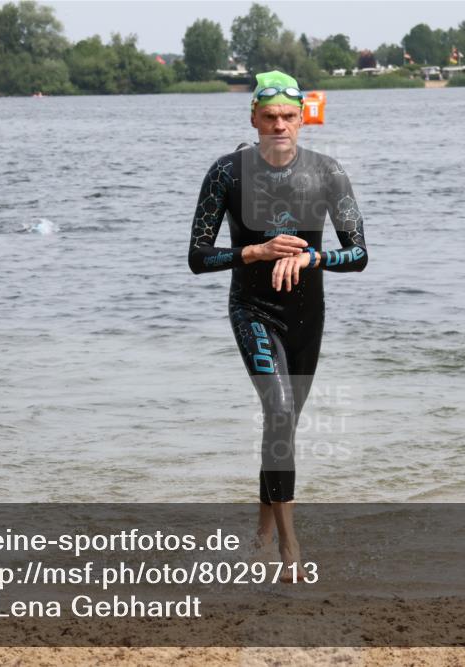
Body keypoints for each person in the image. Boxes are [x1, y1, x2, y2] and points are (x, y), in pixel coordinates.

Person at [188, 71, 368, 578]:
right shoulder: (226, 173)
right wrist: (257, 251)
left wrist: (313, 258)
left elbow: (358, 254)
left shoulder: (328, 172)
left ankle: (262, 531)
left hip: (307, 315)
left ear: (303, 118)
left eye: (289, 116)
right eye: (269, 117)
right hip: (253, 310)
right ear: (253, 118)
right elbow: (198, 257)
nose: (279, 126)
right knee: (281, 411)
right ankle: (290, 549)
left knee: (281, 426)